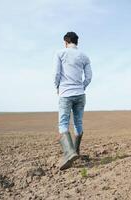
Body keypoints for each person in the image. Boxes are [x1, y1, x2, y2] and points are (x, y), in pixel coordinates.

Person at [54, 32, 92, 170]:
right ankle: (76, 152)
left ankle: (69, 153)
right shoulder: (84, 56)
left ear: (65, 42)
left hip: (65, 93)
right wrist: (82, 86)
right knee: (78, 123)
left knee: (63, 123)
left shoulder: (60, 53)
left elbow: (56, 73)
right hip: (80, 94)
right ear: (77, 42)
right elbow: (89, 76)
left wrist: (57, 86)